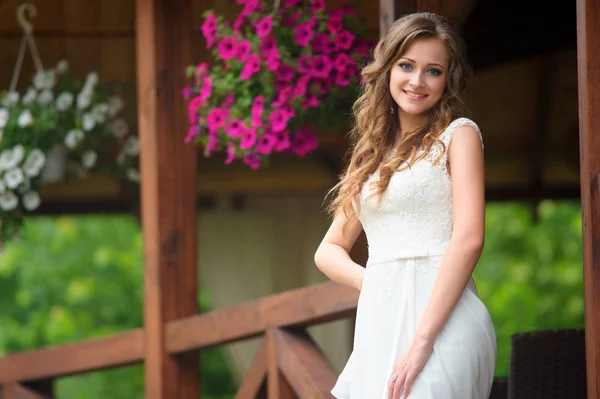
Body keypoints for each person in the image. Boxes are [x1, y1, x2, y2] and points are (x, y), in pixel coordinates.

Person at [314, 12, 497, 399]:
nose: (417, 81)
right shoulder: (370, 156)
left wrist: (422, 341)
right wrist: (376, 282)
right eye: (407, 66)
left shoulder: (458, 136)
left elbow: (469, 240)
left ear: (448, 80)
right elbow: (328, 251)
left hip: (444, 320)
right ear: (388, 68)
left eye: (433, 71)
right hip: (380, 319)